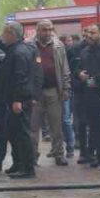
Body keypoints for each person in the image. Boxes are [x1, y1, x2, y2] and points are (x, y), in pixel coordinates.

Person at [0, 21, 41, 179]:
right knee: (12, 133)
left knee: (22, 134)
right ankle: (18, 164)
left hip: (19, 99)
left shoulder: (20, 52)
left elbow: (21, 77)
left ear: (12, 35)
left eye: (4, 33)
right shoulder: (15, 48)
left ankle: (27, 168)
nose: (2, 36)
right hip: (11, 98)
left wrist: (18, 99)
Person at [30, 20, 71, 166]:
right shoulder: (29, 46)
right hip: (35, 93)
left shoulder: (59, 46)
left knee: (56, 125)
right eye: (44, 30)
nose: (47, 33)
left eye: (50, 29)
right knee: (33, 127)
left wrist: (66, 88)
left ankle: (59, 153)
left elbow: (65, 69)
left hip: (54, 90)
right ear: (37, 30)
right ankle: (32, 156)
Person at [77, 24, 100, 167]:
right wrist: (79, 74)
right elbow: (78, 67)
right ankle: (99, 156)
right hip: (89, 94)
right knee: (94, 126)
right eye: (88, 33)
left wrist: (95, 79)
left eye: (93, 33)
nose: (89, 36)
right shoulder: (85, 51)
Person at [66, 33, 88, 158]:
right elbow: (71, 69)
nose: (88, 36)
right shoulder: (74, 50)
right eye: (86, 34)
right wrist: (76, 80)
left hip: (93, 91)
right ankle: (82, 146)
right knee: (79, 119)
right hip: (78, 90)